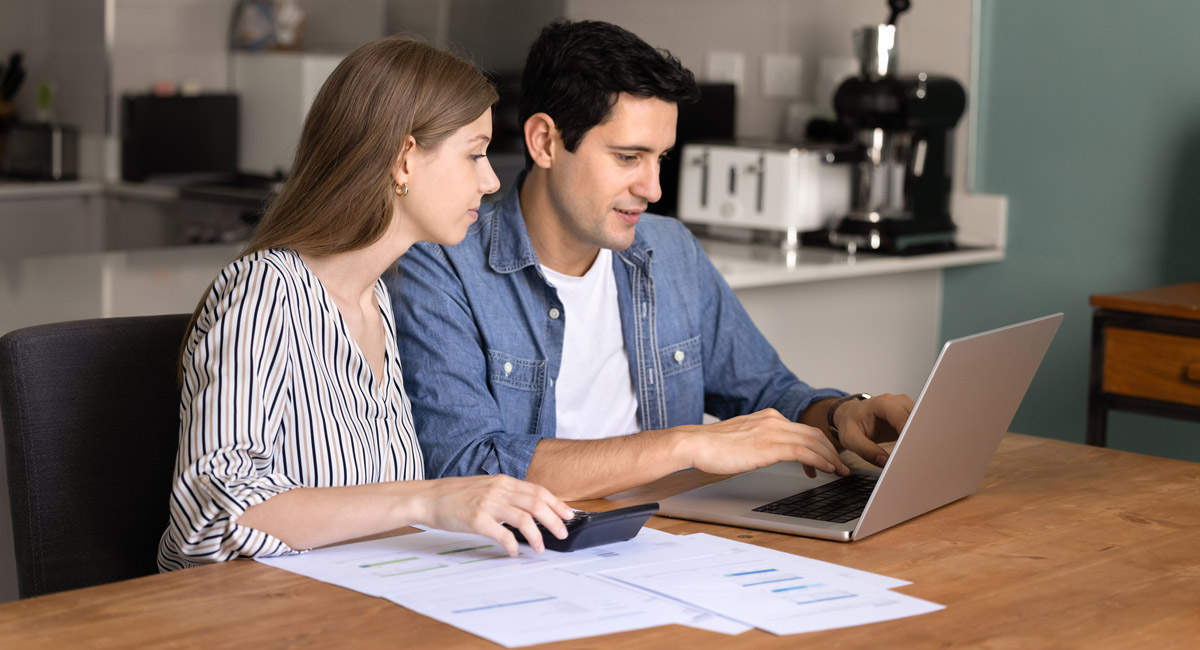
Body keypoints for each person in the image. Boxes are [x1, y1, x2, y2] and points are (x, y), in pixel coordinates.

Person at [391, 20, 915, 501]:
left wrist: (843, 414)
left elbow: (768, 392)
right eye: (628, 157)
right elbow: (467, 465)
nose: (653, 188)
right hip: (528, 559)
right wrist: (684, 446)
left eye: (660, 158)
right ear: (545, 141)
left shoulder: (669, 250)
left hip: (667, 544)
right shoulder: (439, 267)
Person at [158, 35, 573, 572]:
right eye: (474, 153)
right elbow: (209, 520)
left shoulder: (376, 298)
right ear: (404, 159)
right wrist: (429, 500)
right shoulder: (265, 292)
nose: (492, 179)